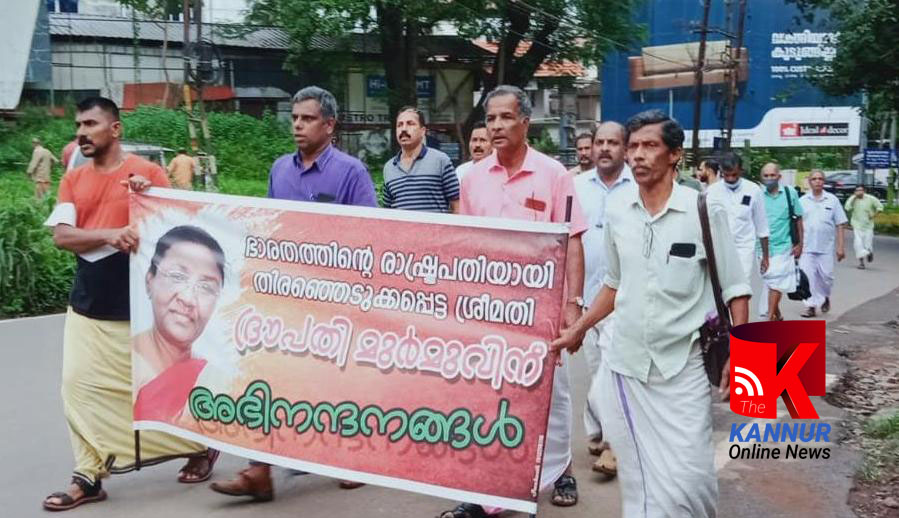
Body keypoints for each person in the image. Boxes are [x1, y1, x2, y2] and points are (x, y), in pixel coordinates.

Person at [552, 109, 750, 518]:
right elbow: (614, 283)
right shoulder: (619, 212)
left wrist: (743, 358)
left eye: (650, 146)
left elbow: (736, 289)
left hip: (683, 367)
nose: (638, 155)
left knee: (691, 478)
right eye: (634, 146)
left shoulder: (703, 209)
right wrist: (580, 328)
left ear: (675, 154)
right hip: (626, 365)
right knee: (641, 480)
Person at [41, 97, 215, 512]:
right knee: (77, 388)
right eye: (79, 126)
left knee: (157, 393)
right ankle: (87, 475)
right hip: (88, 305)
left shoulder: (148, 173)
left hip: (141, 308)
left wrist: (149, 198)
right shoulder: (73, 180)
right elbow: (62, 236)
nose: (81, 133)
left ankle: (198, 444)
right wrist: (110, 234)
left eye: (90, 124)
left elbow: (177, 229)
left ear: (115, 129)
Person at [211, 86, 377, 502]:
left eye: (308, 119)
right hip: (284, 293)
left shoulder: (351, 172)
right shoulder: (279, 169)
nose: (298, 125)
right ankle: (258, 469)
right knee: (267, 373)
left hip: (334, 296)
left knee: (336, 379)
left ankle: (350, 458)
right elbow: (269, 224)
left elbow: (371, 235)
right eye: (295, 118)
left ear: (329, 125)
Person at [442, 85, 587, 518]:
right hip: (490, 309)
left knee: (549, 396)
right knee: (488, 397)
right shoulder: (472, 178)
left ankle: (560, 471)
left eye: (506, 117)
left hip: (541, 310)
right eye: (491, 119)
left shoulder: (554, 175)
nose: (497, 126)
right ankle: (488, 490)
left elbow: (573, 241)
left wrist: (573, 304)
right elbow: (465, 244)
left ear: (526, 122)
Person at [572, 121, 632, 479]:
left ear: (625, 148)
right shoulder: (576, 187)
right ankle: (598, 431)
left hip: (623, 298)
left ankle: (613, 445)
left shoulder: (637, 187)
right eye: (600, 142)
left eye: (613, 142)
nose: (605, 148)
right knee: (597, 370)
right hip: (586, 297)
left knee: (613, 372)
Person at [133, 225, 226, 422]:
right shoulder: (123, 364)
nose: (188, 299)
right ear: (149, 281)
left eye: (206, 287)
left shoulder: (214, 381)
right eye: (177, 276)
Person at [705, 151, 770, 292]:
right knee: (720, 289)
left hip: (743, 248)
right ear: (721, 171)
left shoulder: (753, 190)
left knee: (741, 289)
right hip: (719, 248)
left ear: (741, 170)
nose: (730, 179)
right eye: (726, 175)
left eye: (734, 175)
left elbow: (762, 226)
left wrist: (765, 256)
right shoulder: (711, 192)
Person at [382, 107, 459, 212]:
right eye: (399, 125)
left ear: (422, 131)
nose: (403, 129)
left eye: (410, 124)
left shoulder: (440, 160)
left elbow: (457, 204)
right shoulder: (389, 167)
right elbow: (387, 211)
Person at [798, 170, 847, 317]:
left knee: (826, 278)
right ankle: (811, 306)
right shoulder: (802, 201)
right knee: (808, 278)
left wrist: (840, 247)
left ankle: (825, 296)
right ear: (809, 182)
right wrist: (796, 244)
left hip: (826, 248)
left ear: (824, 181)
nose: (817, 181)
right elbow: (796, 224)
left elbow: (840, 224)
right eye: (814, 179)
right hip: (807, 247)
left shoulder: (832, 200)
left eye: (820, 179)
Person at [759, 162, 804, 321]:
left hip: (784, 246)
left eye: (772, 175)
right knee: (770, 281)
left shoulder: (789, 193)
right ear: (761, 177)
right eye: (766, 176)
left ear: (779, 176)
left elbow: (798, 219)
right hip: (761, 247)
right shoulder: (757, 195)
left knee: (776, 281)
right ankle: (777, 315)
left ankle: (769, 317)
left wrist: (800, 244)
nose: (769, 178)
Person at [844, 184, 883, 269]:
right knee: (858, 244)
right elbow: (847, 208)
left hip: (868, 226)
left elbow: (880, 207)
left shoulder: (871, 198)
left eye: (860, 190)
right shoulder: (852, 199)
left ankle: (869, 252)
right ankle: (861, 263)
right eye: (857, 190)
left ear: (864, 191)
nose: (859, 192)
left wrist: (873, 215)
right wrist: (853, 198)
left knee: (867, 244)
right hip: (856, 225)